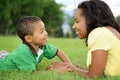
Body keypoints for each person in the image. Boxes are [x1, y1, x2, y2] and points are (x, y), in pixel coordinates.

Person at [47, 0, 120, 79]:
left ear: (91, 19)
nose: (73, 26)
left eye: (77, 21)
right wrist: (80, 69)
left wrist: (70, 68)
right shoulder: (109, 31)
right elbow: (100, 72)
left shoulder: (99, 33)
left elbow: (93, 76)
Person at [0, 16, 71, 71]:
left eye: (45, 30)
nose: (46, 33)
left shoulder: (42, 46)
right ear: (29, 38)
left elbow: (58, 51)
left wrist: (70, 66)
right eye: (41, 31)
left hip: (7, 55)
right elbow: (31, 73)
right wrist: (55, 70)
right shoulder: (24, 53)